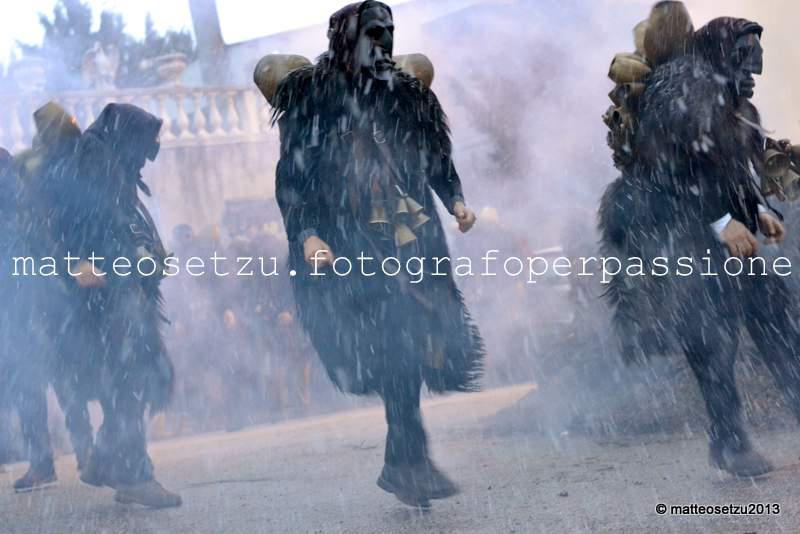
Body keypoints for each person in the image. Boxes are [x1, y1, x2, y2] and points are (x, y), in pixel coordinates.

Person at [268, 1, 485, 507]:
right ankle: (408, 462)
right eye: (372, 31)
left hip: (410, 240)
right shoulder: (313, 96)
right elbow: (293, 178)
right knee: (396, 343)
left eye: (388, 30)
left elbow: (435, 157)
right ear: (347, 37)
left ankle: (403, 463)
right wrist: (308, 234)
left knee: (411, 343)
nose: (382, 40)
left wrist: (455, 200)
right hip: (348, 244)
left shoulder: (406, 93)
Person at [600, 7, 800, 477]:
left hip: (721, 239)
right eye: (745, 64)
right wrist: (722, 220)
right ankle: (728, 444)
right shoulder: (678, 88)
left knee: (775, 320)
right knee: (712, 340)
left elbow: (730, 167)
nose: (751, 77)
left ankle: (746, 435)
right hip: (677, 237)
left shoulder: (730, 100)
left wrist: (759, 212)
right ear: (724, 54)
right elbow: (672, 166)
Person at [52, 103, 181, 507]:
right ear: (128, 136)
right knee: (130, 378)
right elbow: (69, 218)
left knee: (126, 380)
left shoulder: (110, 163)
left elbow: (115, 224)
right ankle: (133, 475)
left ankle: (106, 462)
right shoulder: (95, 162)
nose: (146, 157)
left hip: (116, 287)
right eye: (144, 146)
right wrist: (78, 260)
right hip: (106, 293)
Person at [16, 102, 95, 486]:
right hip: (26, 296)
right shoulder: (31, 168)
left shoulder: (53, 168)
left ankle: (85, 454)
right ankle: (47, 461)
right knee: (29, 381)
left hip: (52, 292)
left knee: (65, 380)